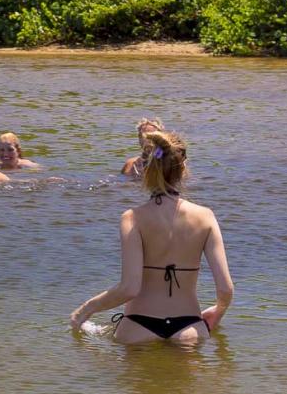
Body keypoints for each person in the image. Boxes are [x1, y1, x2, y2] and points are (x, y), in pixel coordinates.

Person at [70, 130, 233, 343]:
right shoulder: (206, 217)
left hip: (138, 326)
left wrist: (84, 311)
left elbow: (129, 288)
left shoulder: (132, 218)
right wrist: (218, 310)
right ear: (183, 168)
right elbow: (225, 288)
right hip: (189, 328)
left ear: (146, 170)